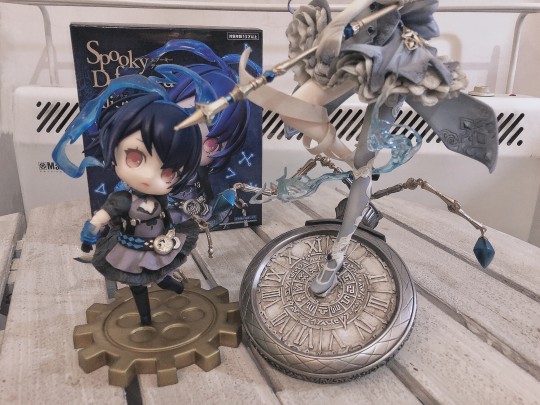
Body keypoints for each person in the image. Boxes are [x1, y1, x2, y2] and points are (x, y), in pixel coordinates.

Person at [53, 79, 202, 326]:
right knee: (138, 285)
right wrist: (89, 237)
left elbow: (169, 212)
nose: (149, 176)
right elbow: (99, 219)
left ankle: (170, 284)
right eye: (135, 158)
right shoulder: (122, 200)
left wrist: (183, 217)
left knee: (160, 272)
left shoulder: (160, 197)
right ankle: (145, 317)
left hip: (160, 244)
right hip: (130, 249)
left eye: (168, 173)